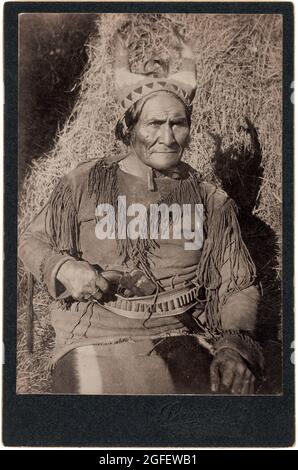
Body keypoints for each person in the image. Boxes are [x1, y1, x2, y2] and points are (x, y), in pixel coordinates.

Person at [18, 29, 264, 394]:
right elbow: (31, 239)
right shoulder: (85, 182)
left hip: (179, 332)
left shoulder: (210, 200)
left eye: (178, 123)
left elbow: (238, 284)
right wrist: (64, 268)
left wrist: (232, 347)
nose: (168, 138)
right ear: (128, 129)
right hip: (92, 332)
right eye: (154, 123)